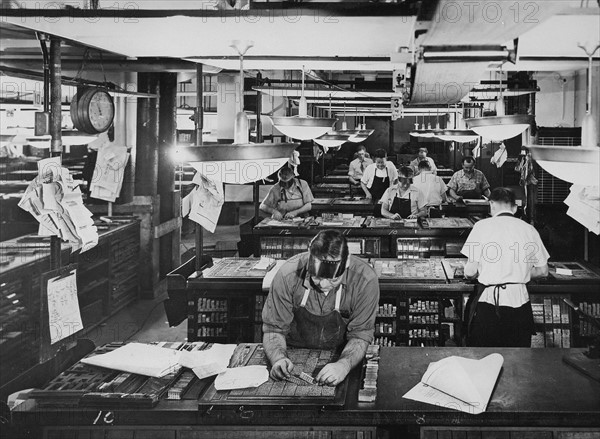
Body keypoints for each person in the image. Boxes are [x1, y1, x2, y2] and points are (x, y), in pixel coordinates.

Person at [262, 230, 380, 386]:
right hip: (291, 352)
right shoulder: (287, 275)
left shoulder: (365, 280)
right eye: (316, 277)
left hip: (341, 354)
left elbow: (361, 334)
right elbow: (273, 329)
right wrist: (278, 358)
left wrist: (343, 365)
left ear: (347, 264)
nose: (323, 285)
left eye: (333, 279)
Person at [461, 187, 550, 347]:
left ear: (492, 204)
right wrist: (519, 273)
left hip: (489, 304)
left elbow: (470, 271)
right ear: (515, 208)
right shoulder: (529, 229)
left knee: (486, 359)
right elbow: (543, 271)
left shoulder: (481, 227)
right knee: (518, 361)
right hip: (520, 303)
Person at [360, 149, 398, 216]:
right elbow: (363, 182)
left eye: (382, 162)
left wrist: (392, 191)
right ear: (375, 160)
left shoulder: (391, 166)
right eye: (378, 162)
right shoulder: (370, 168)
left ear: (386, 159)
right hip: (373, 198)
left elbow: (396, 180)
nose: (380, 165)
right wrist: (367, 193)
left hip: (387, 198)